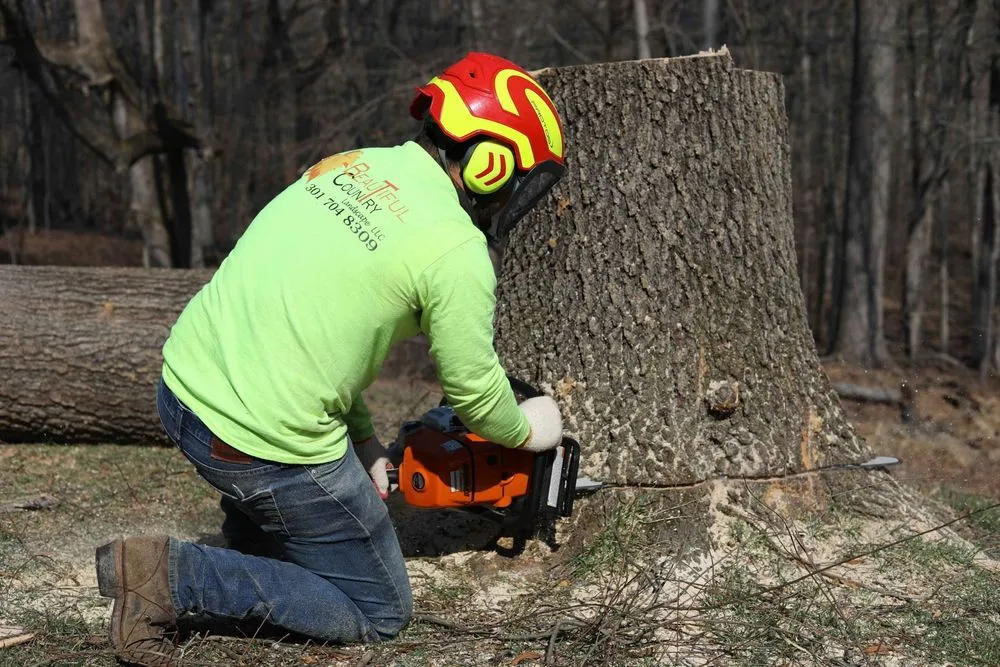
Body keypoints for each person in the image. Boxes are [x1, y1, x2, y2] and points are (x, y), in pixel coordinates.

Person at [94, 52, 569, 666]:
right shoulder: (455, 250)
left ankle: (257, 533)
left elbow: (316, 329)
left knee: (303, 469)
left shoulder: (353, 165)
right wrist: (528, 429)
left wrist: (366, 440)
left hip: (183, 388)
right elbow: (474, 389)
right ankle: (169, 577)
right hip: (256, 443)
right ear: (490, 164)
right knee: (378, 610)